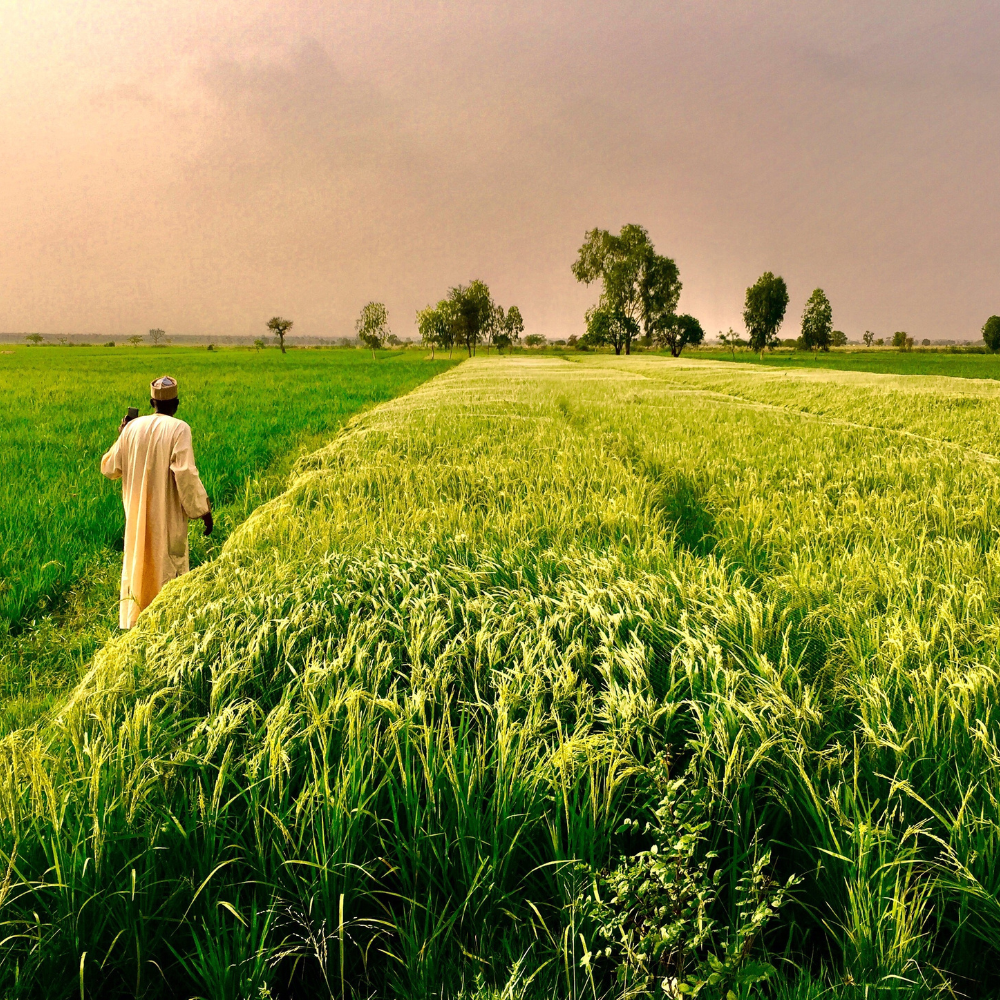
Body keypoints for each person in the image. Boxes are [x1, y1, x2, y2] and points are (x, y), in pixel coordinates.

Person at [100, 375, 213, 629]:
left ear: (152, 402)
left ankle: (137, 625)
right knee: (167, 567)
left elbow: (109, 468)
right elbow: (185, 473)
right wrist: (203, 510)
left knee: (139, 565)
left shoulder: (132, 428)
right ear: (177, 403)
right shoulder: (179, 428)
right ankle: (167, 626)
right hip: (167, 517)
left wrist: (122, 435)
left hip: (137, 518)